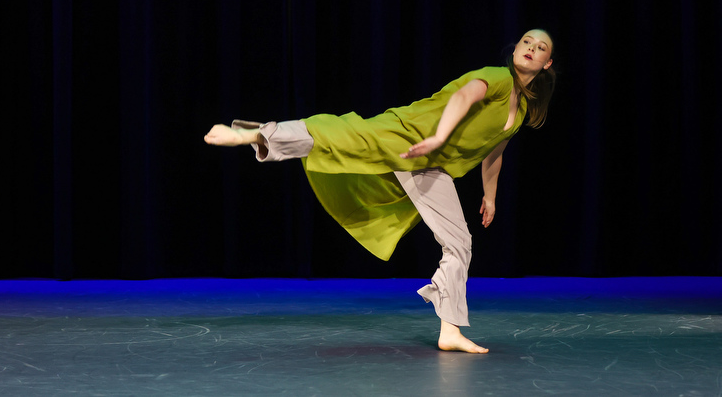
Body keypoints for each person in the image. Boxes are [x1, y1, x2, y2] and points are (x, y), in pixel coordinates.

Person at [204, 29, 556, 353]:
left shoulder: (521, 109)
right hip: (407, 135)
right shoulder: (496, 78)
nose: (531, 49)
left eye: (540, 47)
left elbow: (494, 152)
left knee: (460, 242)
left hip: (431, 167)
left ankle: (450, 330)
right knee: (341, 133)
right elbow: (464, 96)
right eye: (527, 41)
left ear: (547, 64)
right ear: (516, 48)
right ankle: (253, 135)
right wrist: (438, 135)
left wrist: (490, 196)